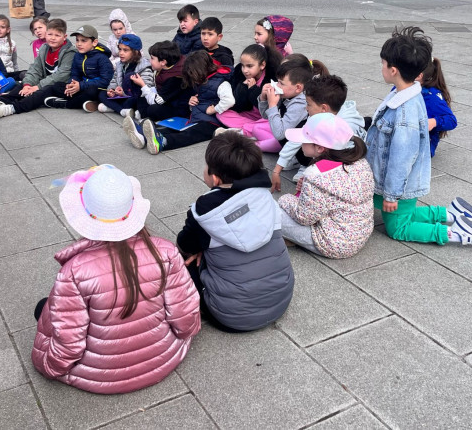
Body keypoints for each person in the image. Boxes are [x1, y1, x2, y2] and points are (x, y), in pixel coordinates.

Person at [32, 164, 200, 394]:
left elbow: (69, 344)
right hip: (162, 358)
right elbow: (185, 316)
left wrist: (48, 366)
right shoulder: (166, 251)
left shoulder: (73, 272)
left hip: (99, 373)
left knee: (44, 308)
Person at [366, 27, 472, 250]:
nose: (382, 67)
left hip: (400, 185)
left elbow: (401, 158)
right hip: (397, 182)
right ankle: (450, 214)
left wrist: (391, 195)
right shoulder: (406, 92)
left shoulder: (404, 112)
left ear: (394, 70)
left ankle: (456, 232)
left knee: (398, 228)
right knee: (401, 214)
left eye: (383, 63)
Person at [176, 133, 294, 332]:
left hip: (229, 316)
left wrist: (199, 247)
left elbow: (184, 245)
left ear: (215, 178)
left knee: (180, 263)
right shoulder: (265, 198)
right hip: (280, 300)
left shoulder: (205, 213)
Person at [276, 113, 375, 259]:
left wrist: (285, 199)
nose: (301, 144)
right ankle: (292, 239)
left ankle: (292, 239)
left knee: (271, 212)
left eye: (305, 141)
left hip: (333, 243)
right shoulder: (358, 162)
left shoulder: (317, 175)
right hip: (357, 233)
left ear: (320, 148)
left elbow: (303, 217)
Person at [270, 74, 366, 192]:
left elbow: (342, 170)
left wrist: (313, 177)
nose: (306, 108)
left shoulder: (344, 128)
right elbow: (297, 140)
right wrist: (277, 170)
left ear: (324, 108)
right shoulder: (320, 116)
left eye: (309, 104)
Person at [137, 51, 234, 154]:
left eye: (193, 74)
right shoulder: (203, 80)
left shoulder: (221, 83)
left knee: (189, 134)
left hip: (213, 122)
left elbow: (229, 100)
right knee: (177, 128)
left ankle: (164, 142)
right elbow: (202, 99)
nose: (192, 78)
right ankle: (143, 135)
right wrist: (192, 101)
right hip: (199, 117)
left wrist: (214, 109)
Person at [0, 19, 75, 118]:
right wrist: (27, 85)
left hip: (61, 86)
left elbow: (61, 75)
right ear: (46, 34)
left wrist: (37, 87)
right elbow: (35, 68)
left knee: (42, 91)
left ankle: (13, 108)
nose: (53, 38)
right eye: (50, 34)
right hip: (45, 80)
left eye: (57, 35)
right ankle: (1, 101)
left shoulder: (70, 52)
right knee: (23, 85)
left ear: (64, 37)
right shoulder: (44, 48)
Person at [246, 55, 324, 152]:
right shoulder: (288, 92)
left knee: (252, 147)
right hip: (284, 136)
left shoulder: (300, 103)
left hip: (298, 151)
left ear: (298, 88)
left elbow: (279, 134)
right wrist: (263, 98)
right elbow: (266, 116)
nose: (277, 85)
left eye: (281, 83)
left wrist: (272, 105)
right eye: (277, 81)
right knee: (256, 129)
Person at [45, 25, 113, 111]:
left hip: (97, 89)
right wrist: (72, 84)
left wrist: (80, 86)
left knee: (92, 91)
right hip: (81, 87)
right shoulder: (77, 55)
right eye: (77, 40)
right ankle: (87, 102)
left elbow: (104, 82)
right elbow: (75, 74)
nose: (79, 44)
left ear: (94, 42)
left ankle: (65, 104)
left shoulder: (102, 58)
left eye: (83, 41)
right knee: (57, 86)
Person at [216, 44, 280, 132]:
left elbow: (267, 109)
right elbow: (237, 105)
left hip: (263, 117)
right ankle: (252, 129)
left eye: (249, 66)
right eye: (243, 65)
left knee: (269, 123)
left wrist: (253, 89)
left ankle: (248, 130)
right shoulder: (240, 74)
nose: (245, 70)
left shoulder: (270, 79)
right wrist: (242, 87)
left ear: (262, 65)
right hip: (248, 116)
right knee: (221, 113)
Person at [125, 40, 189, 129]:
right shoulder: (166, 68)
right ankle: (145, 117)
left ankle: (149, 120)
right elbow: (156, 90)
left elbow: (157, 101)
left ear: (163, 62)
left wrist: (143, 85)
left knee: (153, 109)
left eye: (152, 58)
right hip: (165, 100)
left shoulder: (175, 78)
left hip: (178, 108)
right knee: (140, 97)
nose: (149, 61)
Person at [97, 34, 154, 116]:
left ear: (135, 52)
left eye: (125, 50)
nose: (121, 53)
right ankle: (122, 110)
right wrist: (112, 90)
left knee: (133, 100)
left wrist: (124, 93)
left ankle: (114, 108)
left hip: (133, 97)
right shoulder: (119, 64)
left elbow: (146, 89)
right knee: (101, 94)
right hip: (120, 96)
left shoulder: (144, 67)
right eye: (120, 49)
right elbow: (114, 80)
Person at [420, 57, 457, 157]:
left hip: (423, 148)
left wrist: (434, 122)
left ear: (419, 76)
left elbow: (451, 120)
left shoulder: (431, 96)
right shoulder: (402, 87)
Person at [0, 14, 21, 79]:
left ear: (8, 29)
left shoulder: (12, 43)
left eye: (2, 27)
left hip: (9, 72)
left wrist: (17, 74)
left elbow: (14, 62)